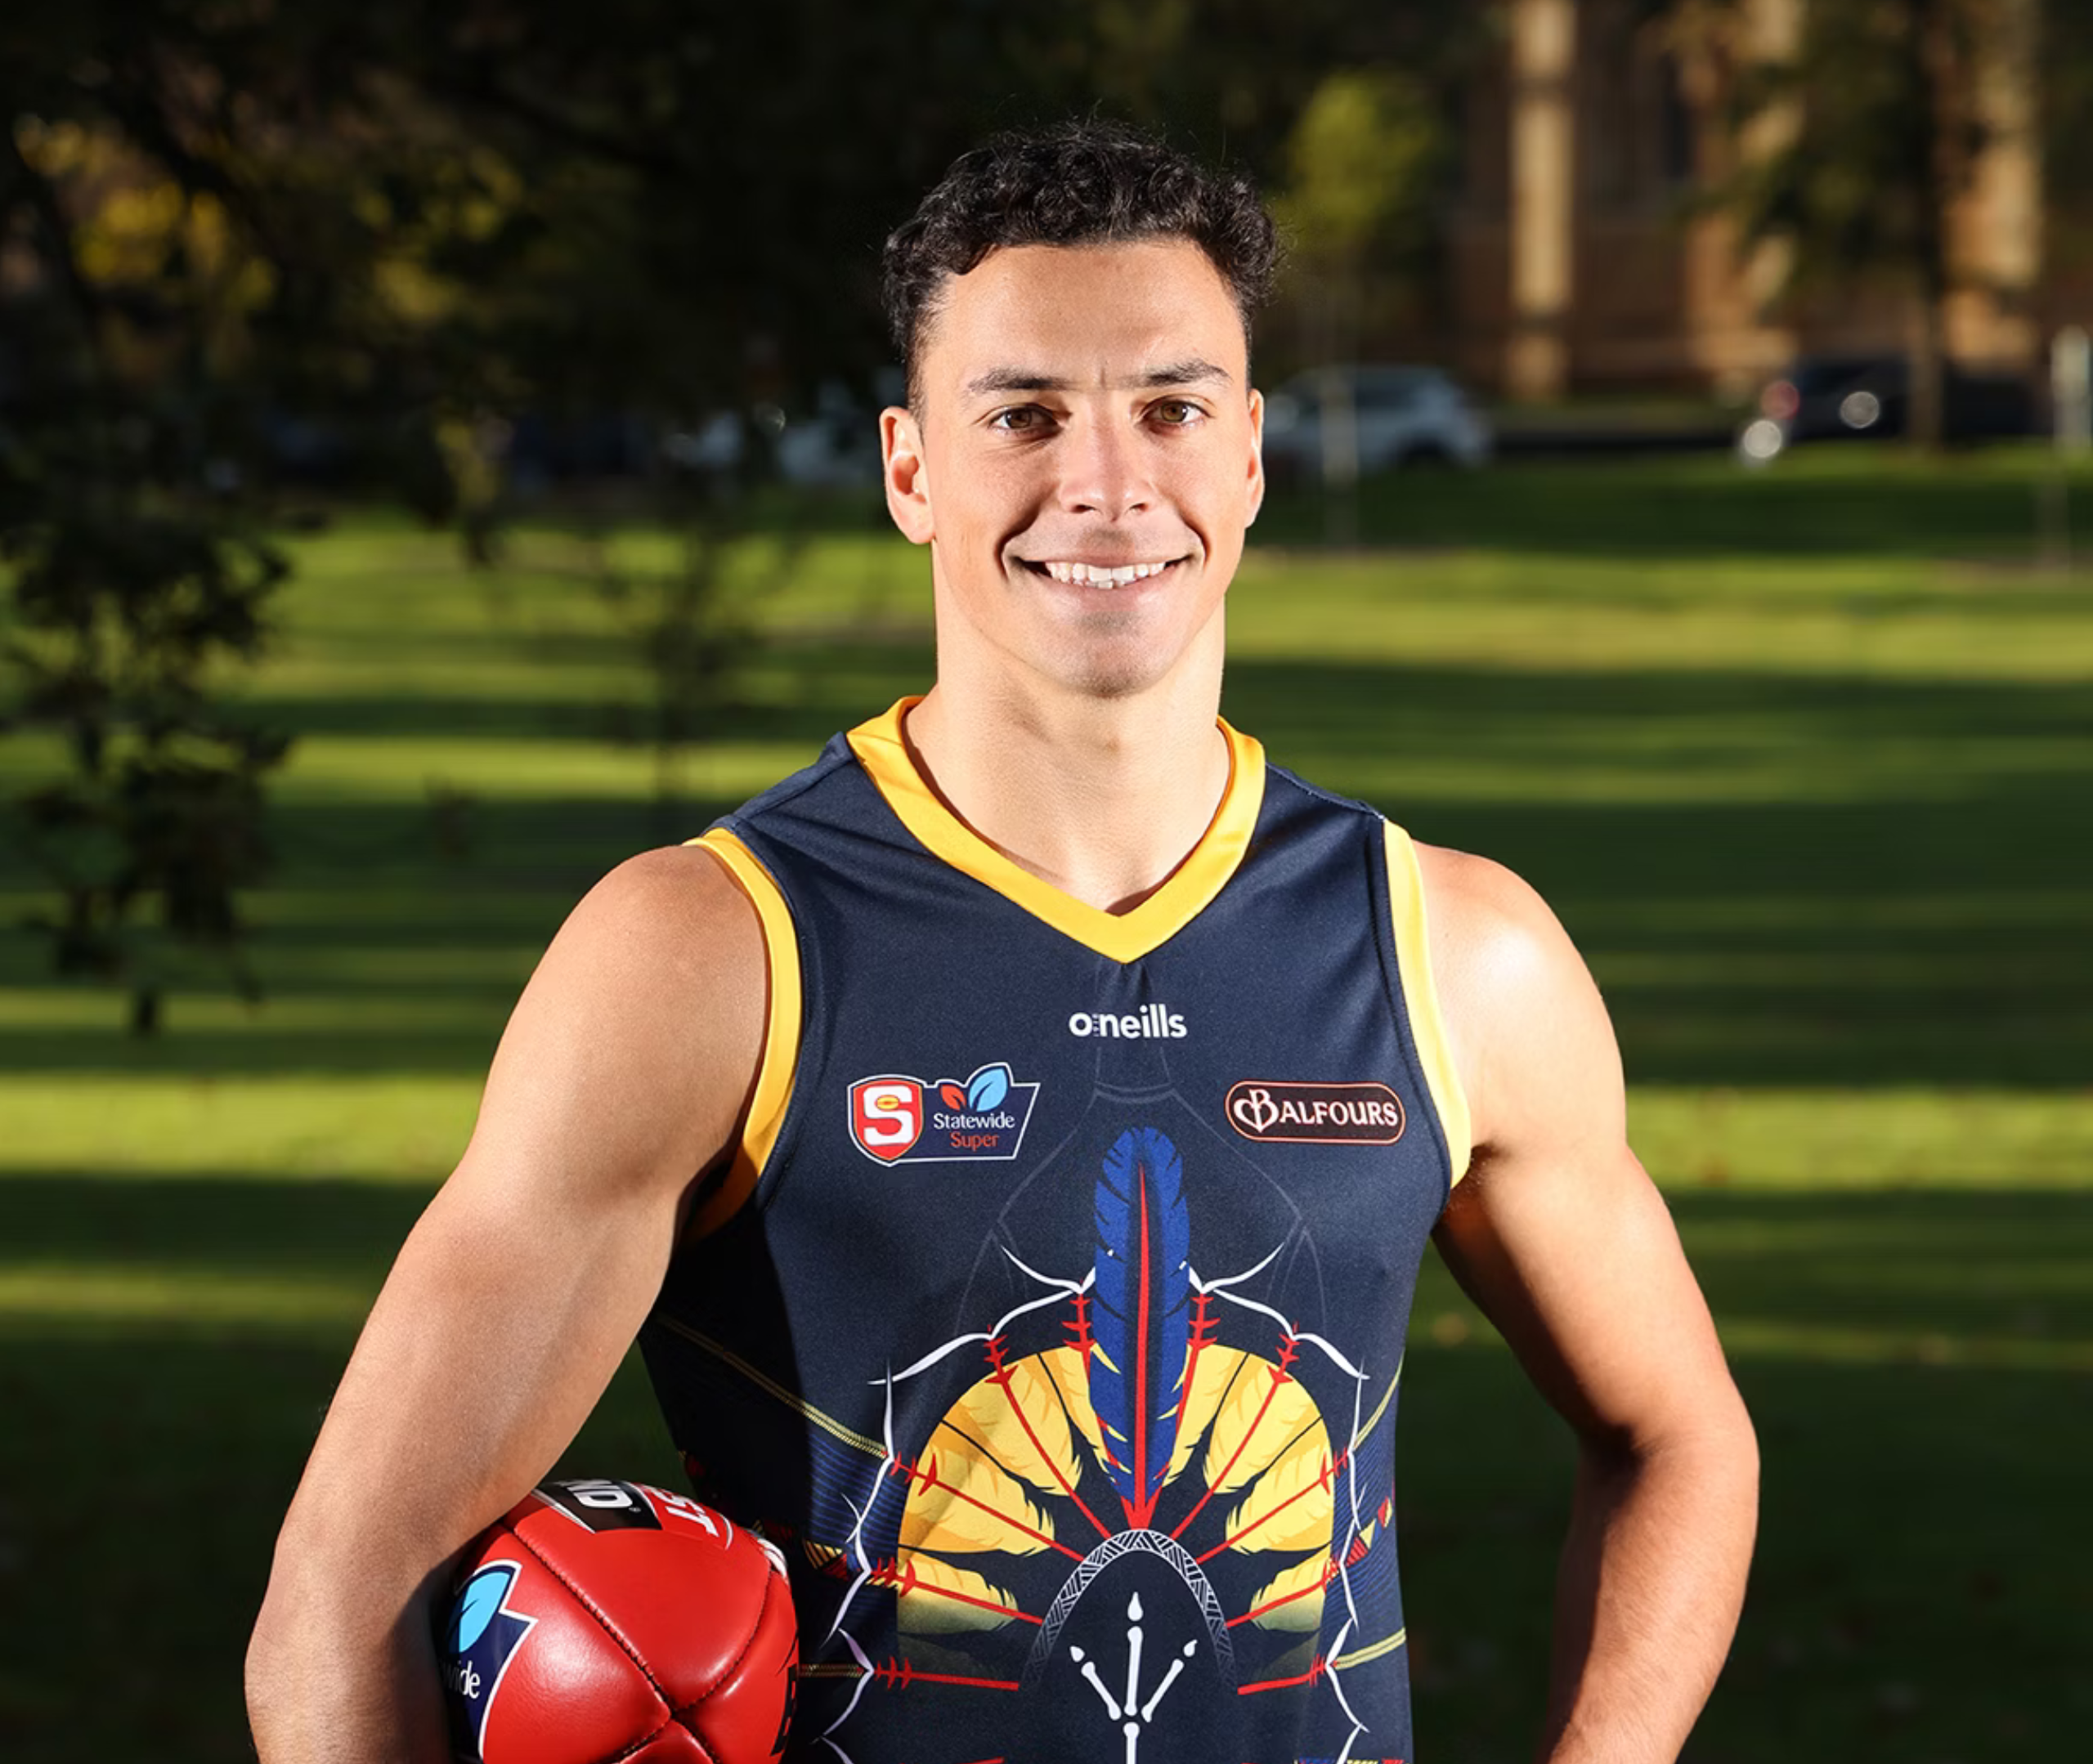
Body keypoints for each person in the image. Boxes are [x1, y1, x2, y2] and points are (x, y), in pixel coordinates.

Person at [248, 122, 1756, 1764]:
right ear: (909, 468)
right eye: (1023, 414)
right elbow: (344, 1583)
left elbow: (1677, 1433)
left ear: (1247, 455)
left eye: (1169, 409)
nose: (1105, 482)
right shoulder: (709, 953)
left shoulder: (1453, 950)